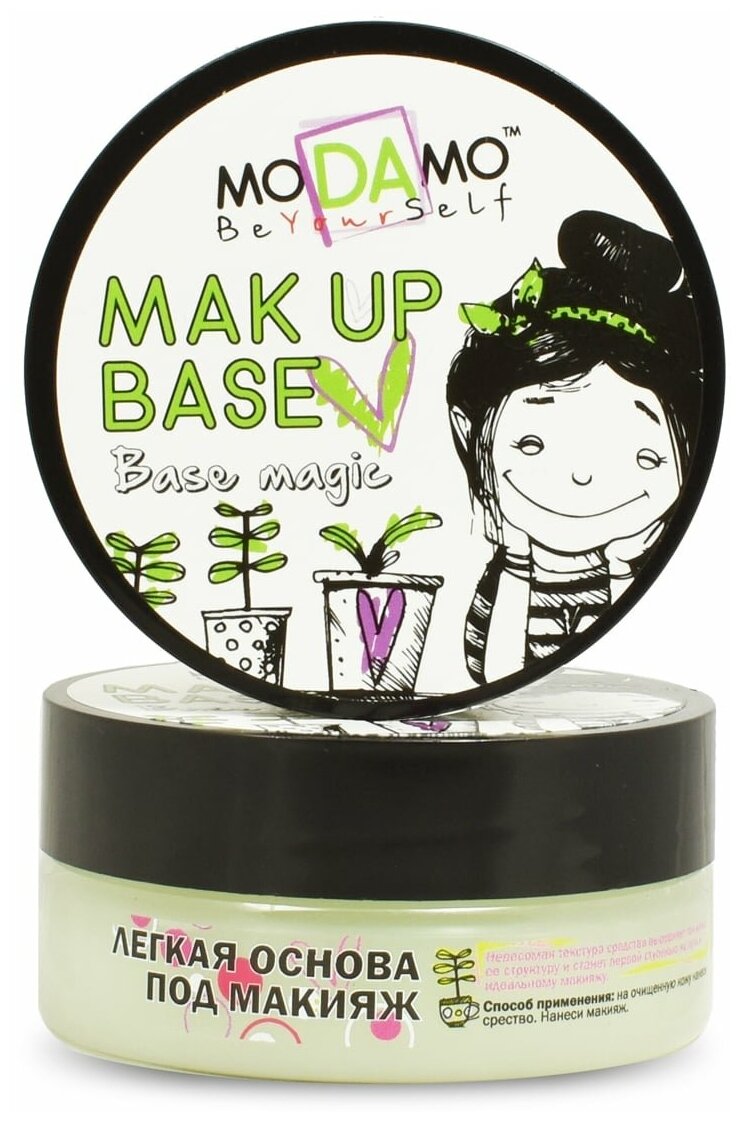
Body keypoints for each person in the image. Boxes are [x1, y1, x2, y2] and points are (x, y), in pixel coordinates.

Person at [447, 210, 702, 682]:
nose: (582, 477)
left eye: (643, 457)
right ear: (470, 433)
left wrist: (623, 570)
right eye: (532, 445)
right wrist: (517, 565)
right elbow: (496, 676)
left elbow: (629, 680)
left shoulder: (656, 578)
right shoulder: (509, 574)